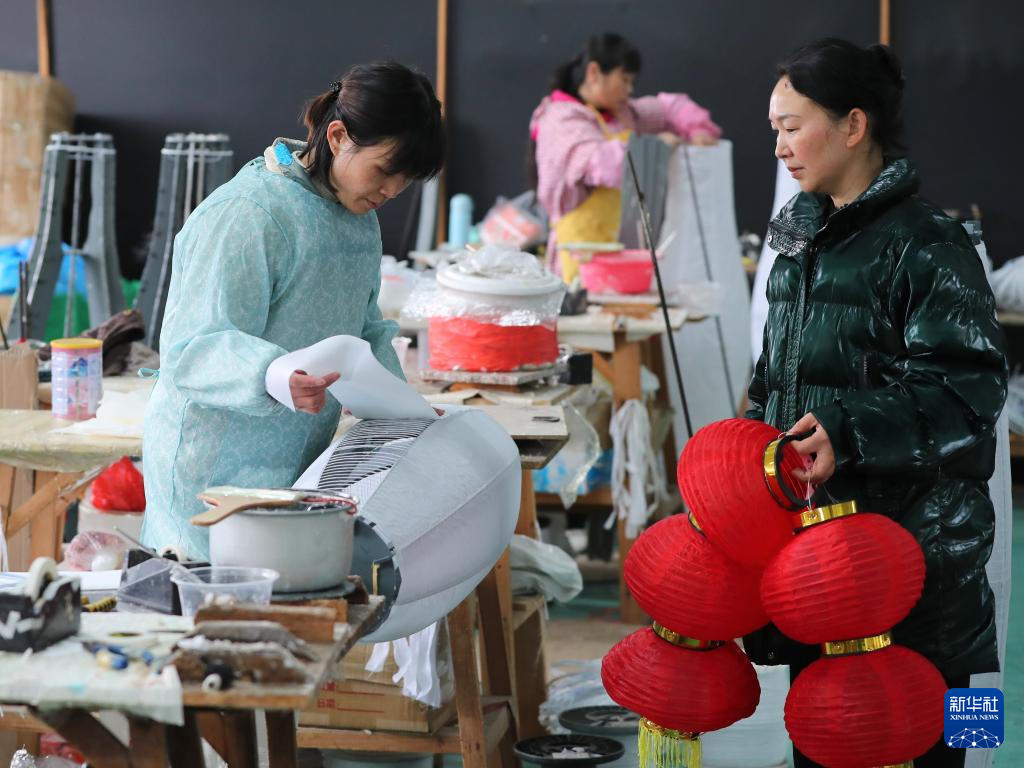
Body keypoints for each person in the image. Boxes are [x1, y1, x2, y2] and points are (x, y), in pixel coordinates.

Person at [746, 38, 1007, 768]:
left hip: (922, 563)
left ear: (854, 125)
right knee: (826, 740)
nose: (780, 147)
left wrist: (847, 429)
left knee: (948, 739)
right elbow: (773, 383)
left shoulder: (931, 243)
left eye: (792, 127)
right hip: (822, 564)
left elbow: (968, 391)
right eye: (774, 129)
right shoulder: (797, 245)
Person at [141, 61, 445, 559]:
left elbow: (365, 328)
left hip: (300, 459)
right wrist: (271, 373)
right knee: (212, 594)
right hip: (213, 466)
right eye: (385, 171)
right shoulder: (250, 214)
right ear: (339, 137)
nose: (392, 191)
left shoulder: (356, 216)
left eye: (406, 180)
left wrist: (401, 409)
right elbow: (192, 348)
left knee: (284, 591)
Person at [529, 32, 721, 281]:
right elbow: (602, 164)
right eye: (624, 79)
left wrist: (697, 129)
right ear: (594, 72)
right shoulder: (561, 119)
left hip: (617, 251)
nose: (629, 90)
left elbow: (670, 107)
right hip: (578, 257)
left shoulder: (622, 114)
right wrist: (654, 146)